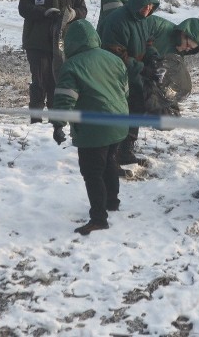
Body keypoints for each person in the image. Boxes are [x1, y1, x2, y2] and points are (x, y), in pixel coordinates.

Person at [51, 20, 129, 236]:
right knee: (109, 162)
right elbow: (125, 91)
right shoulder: (113, 59)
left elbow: (65, 100)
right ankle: (112, 202)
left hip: (94, 130)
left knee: (92, 172)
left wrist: (58, 125)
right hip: (119, 123)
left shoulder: (72, 66)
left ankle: (98, 219)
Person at [18, 0, 87, 124]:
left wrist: (73, 14)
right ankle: (36, 120)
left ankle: (56, 121)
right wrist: (43, 12)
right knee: (40, 81)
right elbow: (23, 8)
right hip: (37, 43)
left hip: (62, 44)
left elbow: (83, 10)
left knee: (57, 82)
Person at [98, 0, 160, 167]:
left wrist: (155, 59)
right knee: (119, 111)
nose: (147, 9)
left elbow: (148, 43)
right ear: (135, 3)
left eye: (151, 6)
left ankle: (127, 150)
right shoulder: (117, 21)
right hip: (115, 75)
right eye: (144, 6)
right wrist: (143, 69)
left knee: (137, 107)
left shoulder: (145, 20)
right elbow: (117, 55)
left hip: (135, 74)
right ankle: (112, 153)